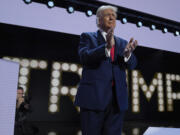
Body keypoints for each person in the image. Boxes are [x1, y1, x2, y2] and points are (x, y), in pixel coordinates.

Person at [74, 5, 138, 135]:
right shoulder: (88, 37)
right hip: (94, 99)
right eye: (108, 15)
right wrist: (106, 47)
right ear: (98, 20)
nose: (112, 18)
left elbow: (132, 65)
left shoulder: (122, 43)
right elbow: (85, 57)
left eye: (114, 16)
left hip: (117, 101)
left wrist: (127, 55)